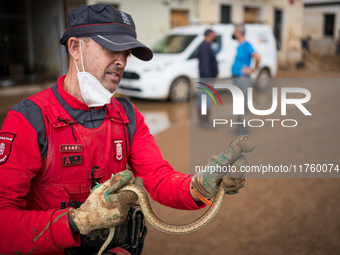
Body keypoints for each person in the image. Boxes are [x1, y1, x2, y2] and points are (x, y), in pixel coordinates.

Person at [0, 4, 254, 255]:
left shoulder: (127, 115)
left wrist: (199, 187)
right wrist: (76, 221)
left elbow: (158, 179)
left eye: (127, 53)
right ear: (75, 47)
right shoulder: (29, 119)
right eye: (112, 48)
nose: (121, 61)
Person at [231, 24, 261, 135]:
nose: (233, 33)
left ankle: (244, 129)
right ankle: (239, 127)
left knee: (242, 103)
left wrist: (253, 69)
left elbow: (258, 57)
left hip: (243, 78)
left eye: (234, 31)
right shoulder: (239, 45)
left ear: (239, 32)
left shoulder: (247, 45)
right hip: (237, 78)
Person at [197, 29, 219, 129]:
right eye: (213, 35)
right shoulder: (205, 46)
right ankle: (205, 122)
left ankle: (203, 121)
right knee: (206, 99)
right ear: (209, 35)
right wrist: (209, 79)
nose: (215, 37)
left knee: (204, 98)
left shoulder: (205, 45)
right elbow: (205, 64)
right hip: (207, 78)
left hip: (206, 77)